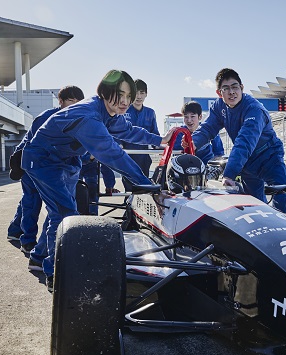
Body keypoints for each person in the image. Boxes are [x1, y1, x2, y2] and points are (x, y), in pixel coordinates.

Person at [21, 69, 177, 292]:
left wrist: (159, 139)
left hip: (67, 160)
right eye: (119, 95)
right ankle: (55, 273)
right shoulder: (88, 116)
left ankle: (38, 257)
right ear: (104, 92)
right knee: (65, 214)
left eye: (129, 97)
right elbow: (113, 154)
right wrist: (148, 185)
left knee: (61, 211)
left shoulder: (108, 111)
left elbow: (128, 131)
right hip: (43, 161)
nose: (124, 102)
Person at [187, 68, 286, 217]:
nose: (232, 92)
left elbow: (245, 142)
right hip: (248, 163)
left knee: (281, 199)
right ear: (219, 93)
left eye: (235, 87)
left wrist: (229, 174)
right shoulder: (219, 107)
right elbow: (207, 129)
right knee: (254, 205)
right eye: (226, 88)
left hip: (269, 157)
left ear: (242, 88)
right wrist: (191, 144)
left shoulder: (254, 109)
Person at [9, 86, 84, 254]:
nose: (74, 105)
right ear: (61, 102)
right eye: (70, 101)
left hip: (55, 170)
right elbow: (33, 144)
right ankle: (27, 240)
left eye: (78, 102)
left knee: (53, 209)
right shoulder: (47, 117)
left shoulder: (77, 119)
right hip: (34, 166)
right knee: (31, 203)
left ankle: (29, 241)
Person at [122, 79, 160, 191]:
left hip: (144, 158)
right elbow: (116, 134)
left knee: (143, 191)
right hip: (127, 157)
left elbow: (155, 134)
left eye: (142, 93)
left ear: (146, 94)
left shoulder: (150, 113)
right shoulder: (123, 110)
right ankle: (128, 207)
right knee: (129, 192)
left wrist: (162, 146)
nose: (139, 96)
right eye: (136, 92)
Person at [172, 100, 224, 165]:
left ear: (200, 117)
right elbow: (172, 150)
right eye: (186, 117)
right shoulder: (179, 132)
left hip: (206, 166)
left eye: (192, 116)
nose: (189, 120)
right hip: (185, 167)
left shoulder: (209, 131)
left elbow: (219, 153)